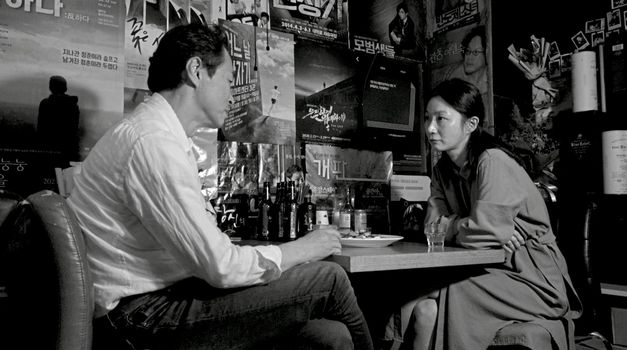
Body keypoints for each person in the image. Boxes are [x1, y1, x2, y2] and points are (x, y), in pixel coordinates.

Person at [68, 24, 373, 350]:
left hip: (156, 299)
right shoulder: (151, 142)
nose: (233, 93)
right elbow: (219, 266)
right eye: (228, 81)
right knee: (330, 278)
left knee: (332, 337)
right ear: (196, 71)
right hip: (139, 317)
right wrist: (304, 249)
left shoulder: (158, 134)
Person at [396, 78, 582, 350]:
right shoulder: (441, 170)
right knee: (423, 307)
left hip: (531, 279)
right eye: (427, 118)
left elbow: (483, 233)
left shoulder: (492, 161)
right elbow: (432, 229)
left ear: (470, 124)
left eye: (441, 119)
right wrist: (471, 226)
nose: (430, 128)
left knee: (433, 291)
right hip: (486, 270)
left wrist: (470, 228)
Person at [37, 75, 80, 164]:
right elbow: (74, 127)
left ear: (51, 87)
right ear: (65, 88)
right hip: (68, 147)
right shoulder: (73, 104)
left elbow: (41, 127)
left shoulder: (45, 103)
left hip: (49, 145)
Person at [445, 25, 488, 108]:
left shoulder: (490, 80)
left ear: (486, 54)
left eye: (475, 52)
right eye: (468, 51)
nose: (469, 57)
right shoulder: (456, 76)